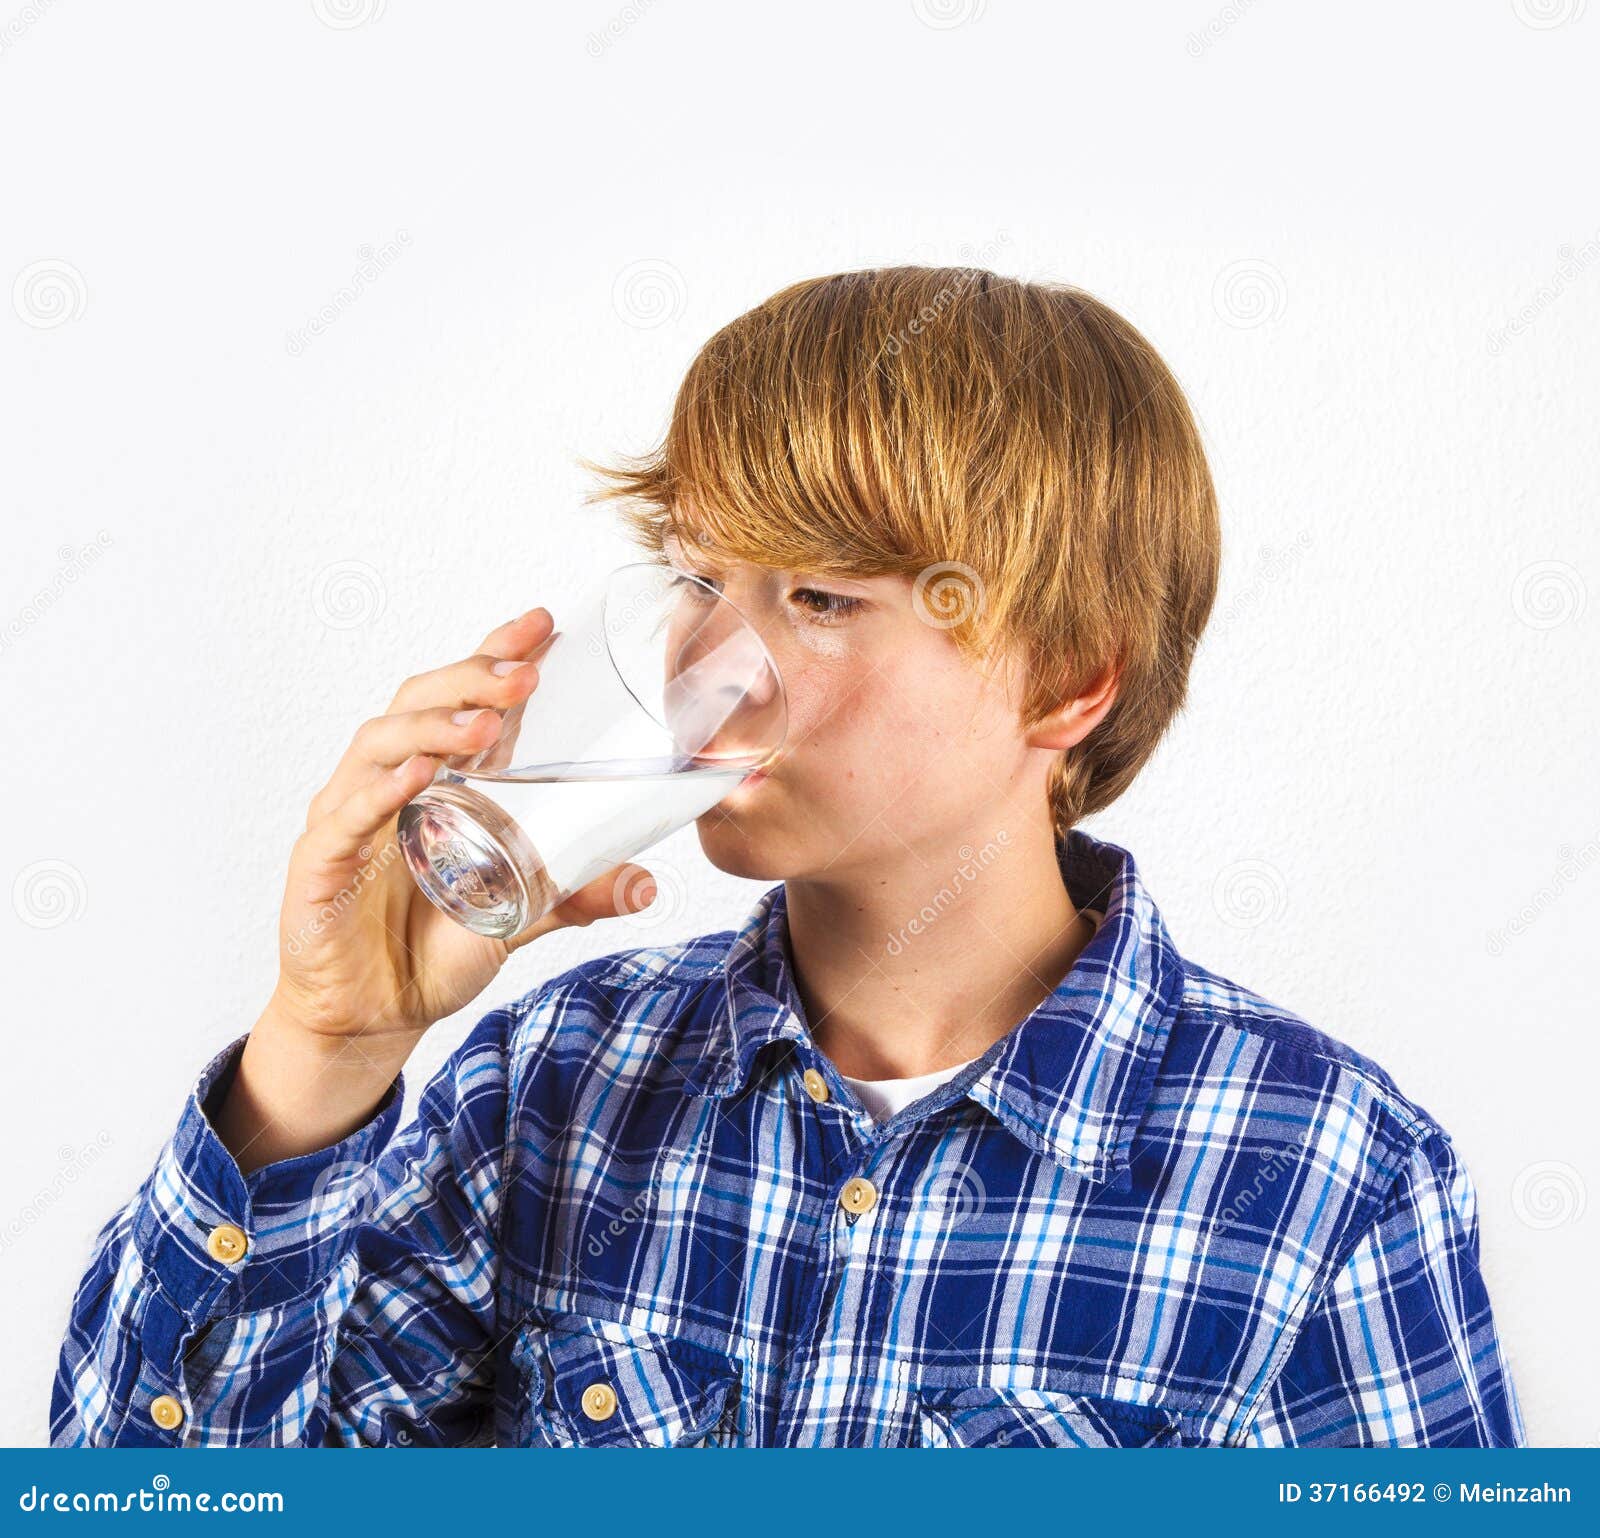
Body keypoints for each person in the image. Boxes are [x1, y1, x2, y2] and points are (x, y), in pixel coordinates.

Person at [50, 267, 1526, 1447]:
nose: (709, 663)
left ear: (1072, 678)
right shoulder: (552, 1083)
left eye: (818, 595)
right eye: (697, 575)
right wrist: (322, 1050)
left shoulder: (1328, 1178)